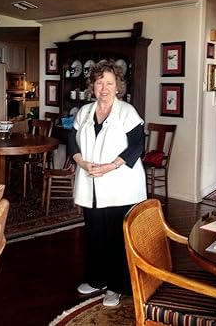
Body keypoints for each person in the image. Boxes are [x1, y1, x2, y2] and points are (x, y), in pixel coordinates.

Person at [67, 59, 146, 307]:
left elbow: (137, 147)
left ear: (118, 86)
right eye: (99, 82)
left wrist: (110, 166)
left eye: (109, 83)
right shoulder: (84, 112)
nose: (104, 88)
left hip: (120, 185)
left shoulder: (127, 112)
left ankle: (116, 287)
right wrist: (82, 162)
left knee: (116, 238)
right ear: (92, 85)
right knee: (94, 234)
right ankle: (97, 279)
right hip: (91, 183)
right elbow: (72, 142)